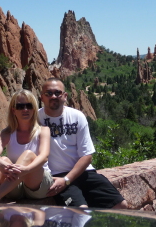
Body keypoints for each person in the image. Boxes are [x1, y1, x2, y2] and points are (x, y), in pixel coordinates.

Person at [38, 77, 128, 209]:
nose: (53, 96)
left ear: (65, 96)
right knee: (81, 212)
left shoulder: (77, 116)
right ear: (42, 97)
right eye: (49, 93)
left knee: (121, 205)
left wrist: (67, 180)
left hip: (83, 173)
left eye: (58, 93)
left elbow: (87, 155)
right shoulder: (36, 119)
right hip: (56, 176)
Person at [0, 89, 52, 204]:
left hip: (37, 184)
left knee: (28, 155)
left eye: (29, 105)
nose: (25, 109)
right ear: (13, 110)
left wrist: (26, 170)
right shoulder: (7, 133)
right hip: (13, 184)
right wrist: (1, 164)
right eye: (20, 106)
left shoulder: (43, 130)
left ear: (34, 108)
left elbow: (44, 157)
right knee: (2, 159)